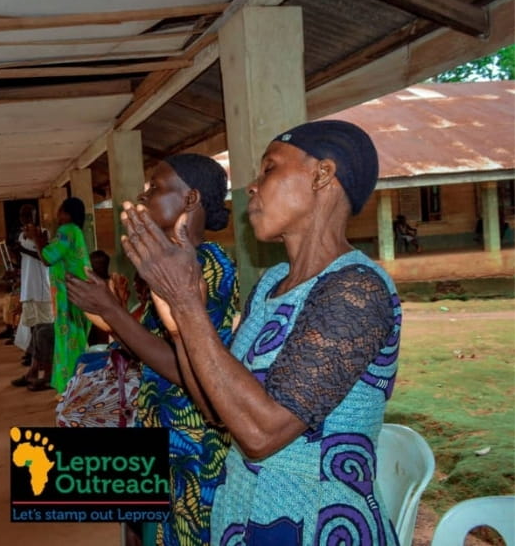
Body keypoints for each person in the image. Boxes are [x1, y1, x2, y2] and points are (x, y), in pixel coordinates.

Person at [121, 120, 401, 545]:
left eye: (270, 168)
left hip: (314, 519)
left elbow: (261, 434)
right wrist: (180, 330)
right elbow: (218, 410)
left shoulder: (355, 290)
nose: (252, 186)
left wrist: (189, 308)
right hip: (244, 509)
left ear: (322, 174)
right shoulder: (271, 284)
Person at [68, 154, 237, 546]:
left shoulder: (206, 267)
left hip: (192, 439)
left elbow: (186, 369)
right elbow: (153, 349)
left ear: (191, 198)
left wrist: (112, 312)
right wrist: (112, 316)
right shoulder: (170, 267)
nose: (143, 196)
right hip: (162, 424)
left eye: (156, 188)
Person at [30, 197, 91, 393]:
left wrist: (36, 239)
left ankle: (70, 386)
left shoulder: (67, 230)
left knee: (68, 341)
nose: (57, 215)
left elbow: (47, 258)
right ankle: (76, 383)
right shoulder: (75, 231)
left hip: (69, 295)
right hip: (76, 292)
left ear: (68, 214)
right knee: (75, 339)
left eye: (61, 210)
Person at [10, 204, 55, 391]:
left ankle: (48, 374)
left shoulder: (43, 233)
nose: (26, 217)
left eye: (29, 214)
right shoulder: (21, 235)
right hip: (28, 288)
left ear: (36, 215)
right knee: (35, 331)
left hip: (42, 289)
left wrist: (24, 248)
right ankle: (33, 370)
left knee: (45, 333)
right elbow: (21, 261)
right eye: (23, 214)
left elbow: (45, 258)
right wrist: (16, 250)